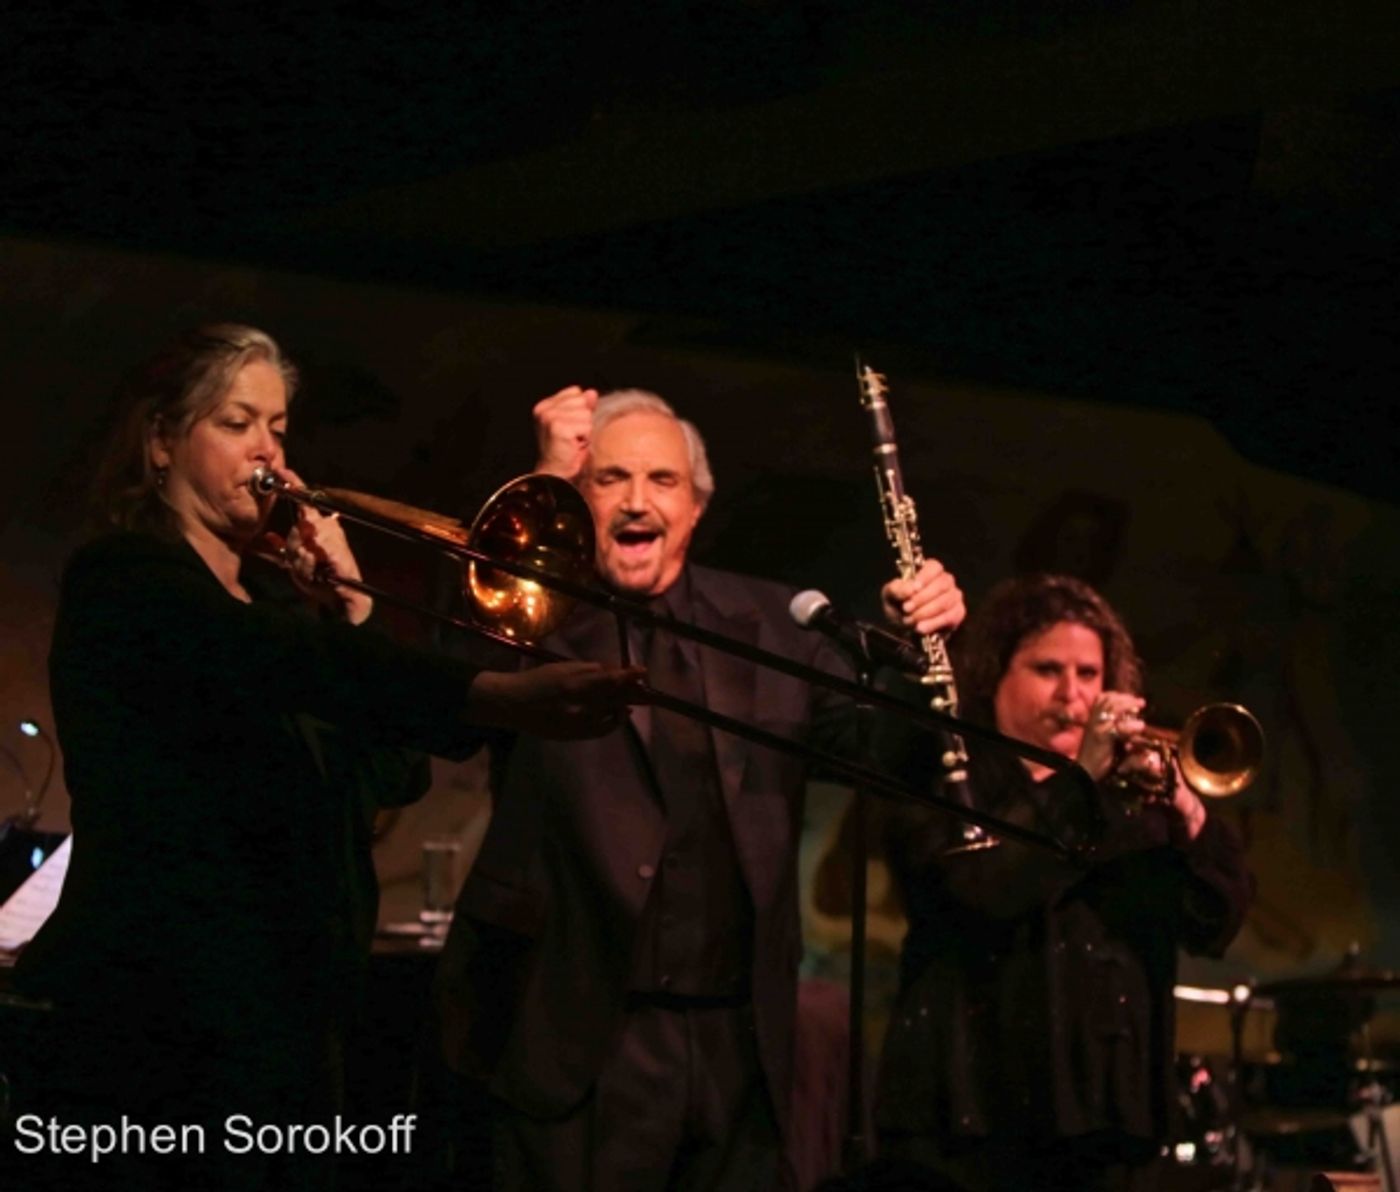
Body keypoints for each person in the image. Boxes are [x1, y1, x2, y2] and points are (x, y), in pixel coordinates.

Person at [7, 326, 638, 1192]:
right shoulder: (128, 581)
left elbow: (391, 776)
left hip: (290, 1028)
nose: (270, 450)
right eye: (237, 422)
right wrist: (485, 695)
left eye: (279, 426)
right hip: (158, 1028)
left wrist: (351, 607)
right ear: (162, 441)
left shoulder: (278, 606)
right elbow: (271, 661)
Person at [431, 385, 965, 1191]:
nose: (638, 501)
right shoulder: (539, 614)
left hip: (738, 1049)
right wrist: (543, 483)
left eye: (662, 481)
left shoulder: (776, 625)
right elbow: (455, 686)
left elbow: (886, 759)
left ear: (697, 506)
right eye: (610, 479)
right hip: (577, 1040)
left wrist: (918, 656)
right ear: (580, 499)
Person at [875, 573, 1253, 1192]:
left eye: (1089, 674)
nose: (1073, 696)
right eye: (1047, 669)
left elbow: (1217, 923)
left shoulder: (1135, 798)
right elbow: (979, 891)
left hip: (1112, 1123)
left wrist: (1190, 815)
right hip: (971, 1124)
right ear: (996, 675)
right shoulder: (951, 767)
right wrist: (1082, 779)